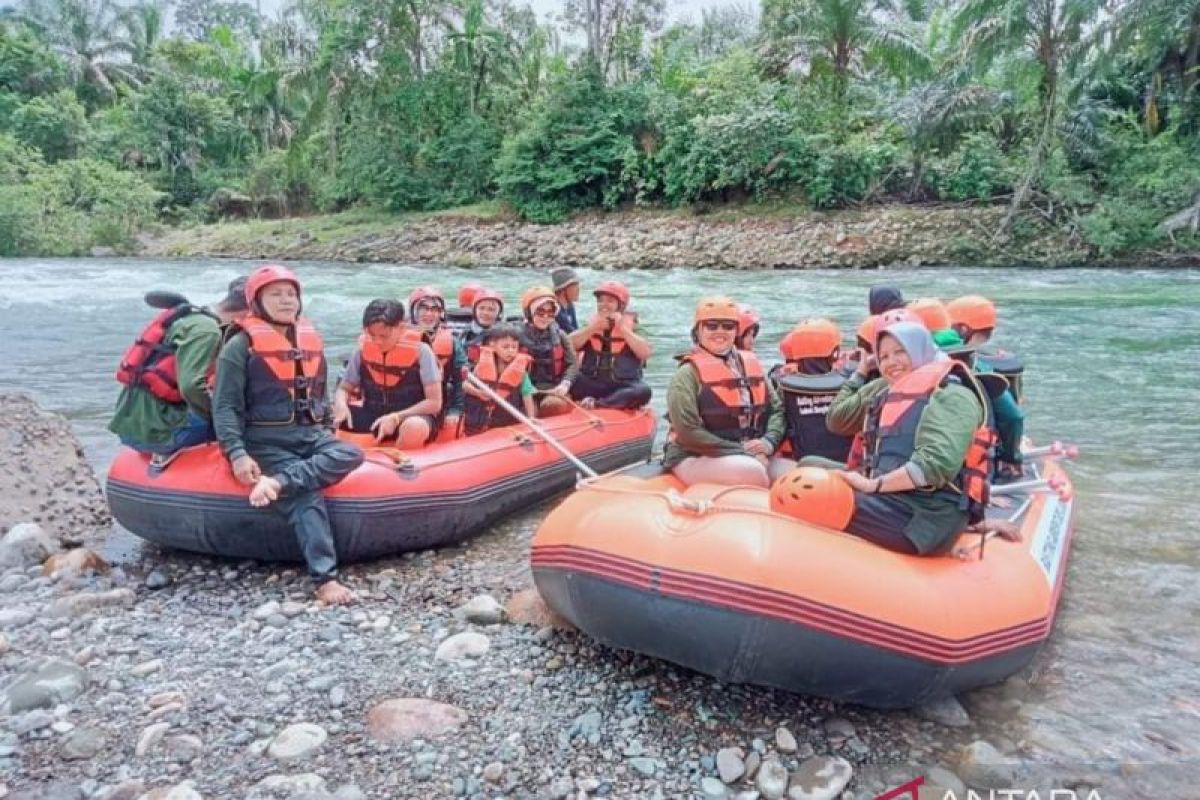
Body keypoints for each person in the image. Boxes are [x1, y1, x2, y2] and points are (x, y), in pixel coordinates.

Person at [775, 322, 999, 556]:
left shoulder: (953, 395)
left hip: (925, 517)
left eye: (900, 352)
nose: (891, 362)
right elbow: (837, 420)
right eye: (884, 357)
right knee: (810, 465)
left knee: (803, 494)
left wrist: (874, 485)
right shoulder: (888, 391)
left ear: (921, 351)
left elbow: (935, 465)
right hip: (895, 498)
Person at [213, 264, 363, 604]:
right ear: (256, 301)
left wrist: (326, 426)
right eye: (275, 294)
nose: (286, 301)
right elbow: (225, 407)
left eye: (291, 294)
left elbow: (319, 392)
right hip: (265, 440)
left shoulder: (309, 338)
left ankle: (278, 483)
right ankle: (325, 579)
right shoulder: (240, 346)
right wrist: (237, 453)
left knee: (351, 453)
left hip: (308, 434)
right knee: (308, 497)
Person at [110, 276, 249, 466]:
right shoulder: (207, 331)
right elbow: (191, 386)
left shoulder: (193, 318)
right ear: (249, 312)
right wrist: (224, 417)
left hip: (133, 423)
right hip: (156, 432)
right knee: (247, 425)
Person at [663, 296, 790, 488]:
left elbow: (777, 410)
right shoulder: (686, 374)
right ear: (698, 330)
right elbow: (688, 431)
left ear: (736, 331)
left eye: (728, 326)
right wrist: (742, 451)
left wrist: (768, 441)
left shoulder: (751, 365)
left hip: (748, 452)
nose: (720, 332)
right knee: (751, 471)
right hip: (695, 456)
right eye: (712, 326)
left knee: (795, 472)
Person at [331, 298, 442, 448]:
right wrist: (340, 404)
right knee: (328, 413)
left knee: (414, 427)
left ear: (401, 328)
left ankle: (402, 463)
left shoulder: (422, 352)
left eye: (384, 336)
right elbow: (344, 388)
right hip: (373, 414)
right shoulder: (361, 351)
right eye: (372, 335)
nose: (377, 341)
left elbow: (434, 403)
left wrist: (396, 417)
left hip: (410, 416)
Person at [948, 294, 1026, 479]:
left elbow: (1013, 416)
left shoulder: (978, 369)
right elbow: (1014, 417)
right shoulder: (992, 365)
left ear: (963, 329)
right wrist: (1012, 456)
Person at [771, 318, 855, 463]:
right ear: (834, 353)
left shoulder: (782, 384)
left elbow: (776, 421)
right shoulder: (853, 382)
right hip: (844, 464)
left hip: (802, 463)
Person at [567, 280, 653, 410]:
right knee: (569, 378)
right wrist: (592, 328)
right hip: (592, 383)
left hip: (623, 385)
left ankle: (599, 404)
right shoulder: (591, 324)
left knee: (643, 391)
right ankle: (597, 401)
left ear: (621, 305)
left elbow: (645, 352)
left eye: (610, 301)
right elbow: (569, 344)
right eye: (600, 301)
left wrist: (624, 330)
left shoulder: (633, 327)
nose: (604, 305)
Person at [409, 286, 466, 433]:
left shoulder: (452, 342)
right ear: (413, 312)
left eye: (434, 309)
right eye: (423, 308)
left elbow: (461, 380)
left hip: (433, 406)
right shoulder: (396, 337)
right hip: (400, 403)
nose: (429, 314)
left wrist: (456, 409)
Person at [463, 326, 537, 435]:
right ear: (493, 346)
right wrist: (478, 392)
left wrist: (530, 417)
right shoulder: (482, 365)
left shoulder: (520, 371)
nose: (510, 351)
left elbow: (527, 393)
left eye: (514, 347)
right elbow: (465, 385)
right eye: (505, 347)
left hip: (505, 421)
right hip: (480, 419)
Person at [519, 286, 579, 417]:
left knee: (553, 406)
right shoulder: (516, 336)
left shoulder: (561, 335)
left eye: (550, 313)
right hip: (526, 391)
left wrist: (565, 384)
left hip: (555, 389)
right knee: (525, 412)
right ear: (529, 312)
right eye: (540, 312)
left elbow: (573, 364)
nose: (545, 317)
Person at [459, 288, 504, 367]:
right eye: (481, 308)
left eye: (491, 309)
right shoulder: (466, 333)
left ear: (499, 313)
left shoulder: (505, 333)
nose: (485, 313)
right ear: (474, 310)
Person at [550, 268, 581, 333]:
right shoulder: (556, 311)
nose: (578, 289)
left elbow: (576, 330)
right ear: (563, 290)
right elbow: (572, 337)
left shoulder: (569, 305)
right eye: (575, 285)